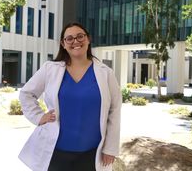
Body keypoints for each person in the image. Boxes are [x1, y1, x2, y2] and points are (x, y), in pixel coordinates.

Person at [18, 22, 122, 171]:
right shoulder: (50, 69)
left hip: (92, 154)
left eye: (80, 36)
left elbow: (115, 110)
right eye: (69, 38)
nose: (76, 41)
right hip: (55, 153)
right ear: (63, 44)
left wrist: (110, 148)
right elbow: (26, 93)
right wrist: (38, 116)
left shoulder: (106, 73)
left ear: (88, 39)